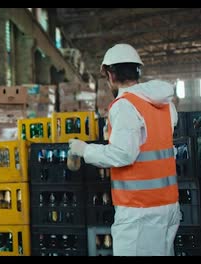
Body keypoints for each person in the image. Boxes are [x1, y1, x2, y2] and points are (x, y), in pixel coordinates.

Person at [68, 44, 181, 256]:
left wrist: (84, 149)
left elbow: (123, 154)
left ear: (110, 75)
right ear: (138, 71)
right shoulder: (165, 105)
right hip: (167, 205)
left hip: (139, 210)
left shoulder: (125, 105)